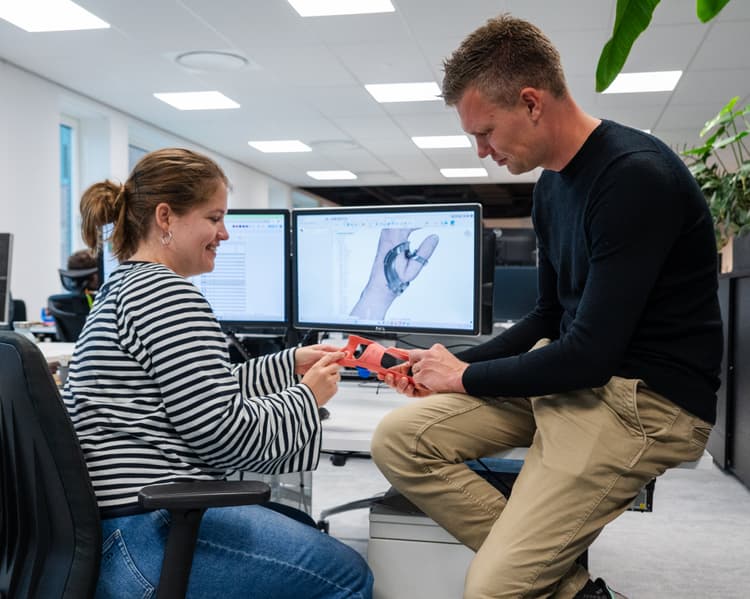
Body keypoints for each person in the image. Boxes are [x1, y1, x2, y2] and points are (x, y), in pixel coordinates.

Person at [370, 14, 722, 599]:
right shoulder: (552, 186)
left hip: (644, 401)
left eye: (485, 132)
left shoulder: (634, 178)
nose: (482, 152)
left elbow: (590, 355)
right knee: (398, 440)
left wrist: (463, 377)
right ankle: (566, 583)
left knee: (492, 590)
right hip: (577, 379)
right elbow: (549, 318)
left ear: (532, 102)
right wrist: (448, 366)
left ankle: (521, 565)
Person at [64, 147, 373, 599]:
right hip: (148, 537)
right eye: (214, 218)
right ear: (166, 217)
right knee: (347, 575)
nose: (224, 233)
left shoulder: (124, 287)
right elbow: (225, 436)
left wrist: (288, 365)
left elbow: (194, 390)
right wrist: (307, 396)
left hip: (110, 533)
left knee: (300, 528)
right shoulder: (170, 296)